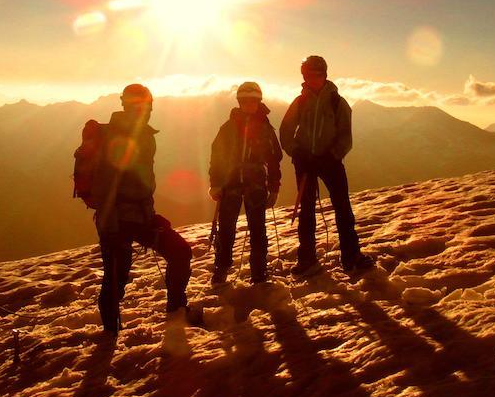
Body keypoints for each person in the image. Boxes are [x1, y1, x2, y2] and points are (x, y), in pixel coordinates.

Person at [91, 84, 200, 334]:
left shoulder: (145, 136)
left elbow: (138, 182)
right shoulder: (115, 137)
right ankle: (110, 335)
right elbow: (104, 184)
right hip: (117, 220)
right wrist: (110, 226)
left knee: (180, 252)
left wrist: (149, 215)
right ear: (127, 107)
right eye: (138, 106)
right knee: (116, 277)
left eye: (147, 106)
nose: (144, 111)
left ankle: (175, 309)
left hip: (140, 216)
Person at [279, 56, 373, 276]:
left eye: (314, 75)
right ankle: (309, 260)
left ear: (323, 74)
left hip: (329, 161)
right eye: (306, 76)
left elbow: (345, 137)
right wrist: (297, 152)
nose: (309, 79)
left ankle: (350, 256)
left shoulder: (337, 102)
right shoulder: (300, 102)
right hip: (305, 162)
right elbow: (285, 131)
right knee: (308, 211)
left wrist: (331, 156)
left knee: (342, 208)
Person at [208, 81, 282, 286]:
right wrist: (215, 183)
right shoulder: (229, 127)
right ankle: (222, 269)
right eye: (246, 101)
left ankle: (257, 272)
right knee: (226, 231)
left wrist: (274, 186)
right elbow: (217, 157)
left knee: (257, 230)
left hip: (253, 186)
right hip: (232, 185)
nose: (249, 104)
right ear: (240, 102)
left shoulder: (264, 128)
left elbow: (274, 159)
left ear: (258, 102)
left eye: (253, 101)